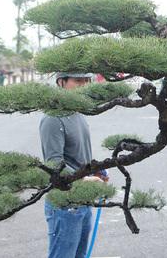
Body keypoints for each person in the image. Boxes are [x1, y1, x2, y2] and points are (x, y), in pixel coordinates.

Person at [40, 72, 107, 258]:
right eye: (78, 81)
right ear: (61, 82)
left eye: (87, 80)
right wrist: (86, 179)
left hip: (83, 199)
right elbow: (54, 162)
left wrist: (96, 169)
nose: (84, 85)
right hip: (64, 203)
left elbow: (79, 154)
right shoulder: (53, 119)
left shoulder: (77, 112)